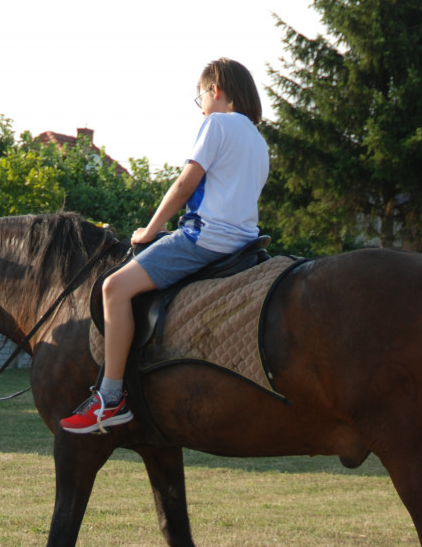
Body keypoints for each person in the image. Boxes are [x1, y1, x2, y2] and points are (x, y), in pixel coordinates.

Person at [61, 58, 270, 434]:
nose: (201, 107)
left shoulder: (216, 124)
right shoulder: (258, 140)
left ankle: (110, 398)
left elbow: (184, 184)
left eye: (199, 98)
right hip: (244, 242)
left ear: (215, 90)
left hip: (205, 238)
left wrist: (149, 230)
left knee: (113, 288)